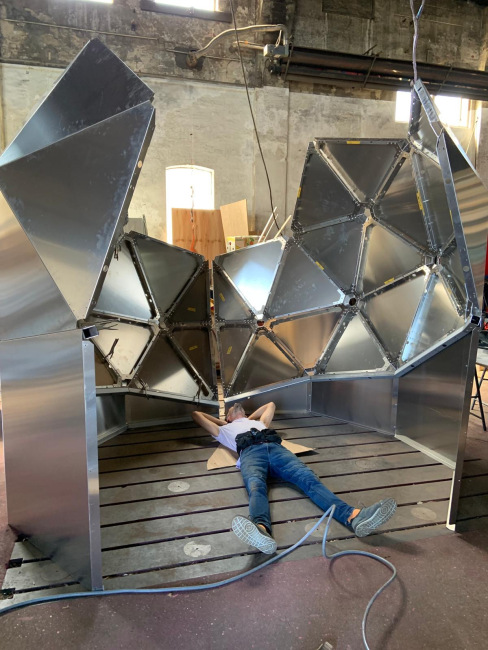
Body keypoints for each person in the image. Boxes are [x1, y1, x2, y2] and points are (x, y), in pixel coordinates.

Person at [192, 402, 396, 554]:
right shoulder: (223, 430)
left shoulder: (258, 422)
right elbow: (196, 414)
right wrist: (226, 421)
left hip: (277, 450)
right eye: (231, 410)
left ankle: (354, 516)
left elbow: (270, 405)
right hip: (251, 454)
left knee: (309, 479)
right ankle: (261, 530)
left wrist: (243, 418)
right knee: (256, 487)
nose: (235, 408)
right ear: (227, 418)